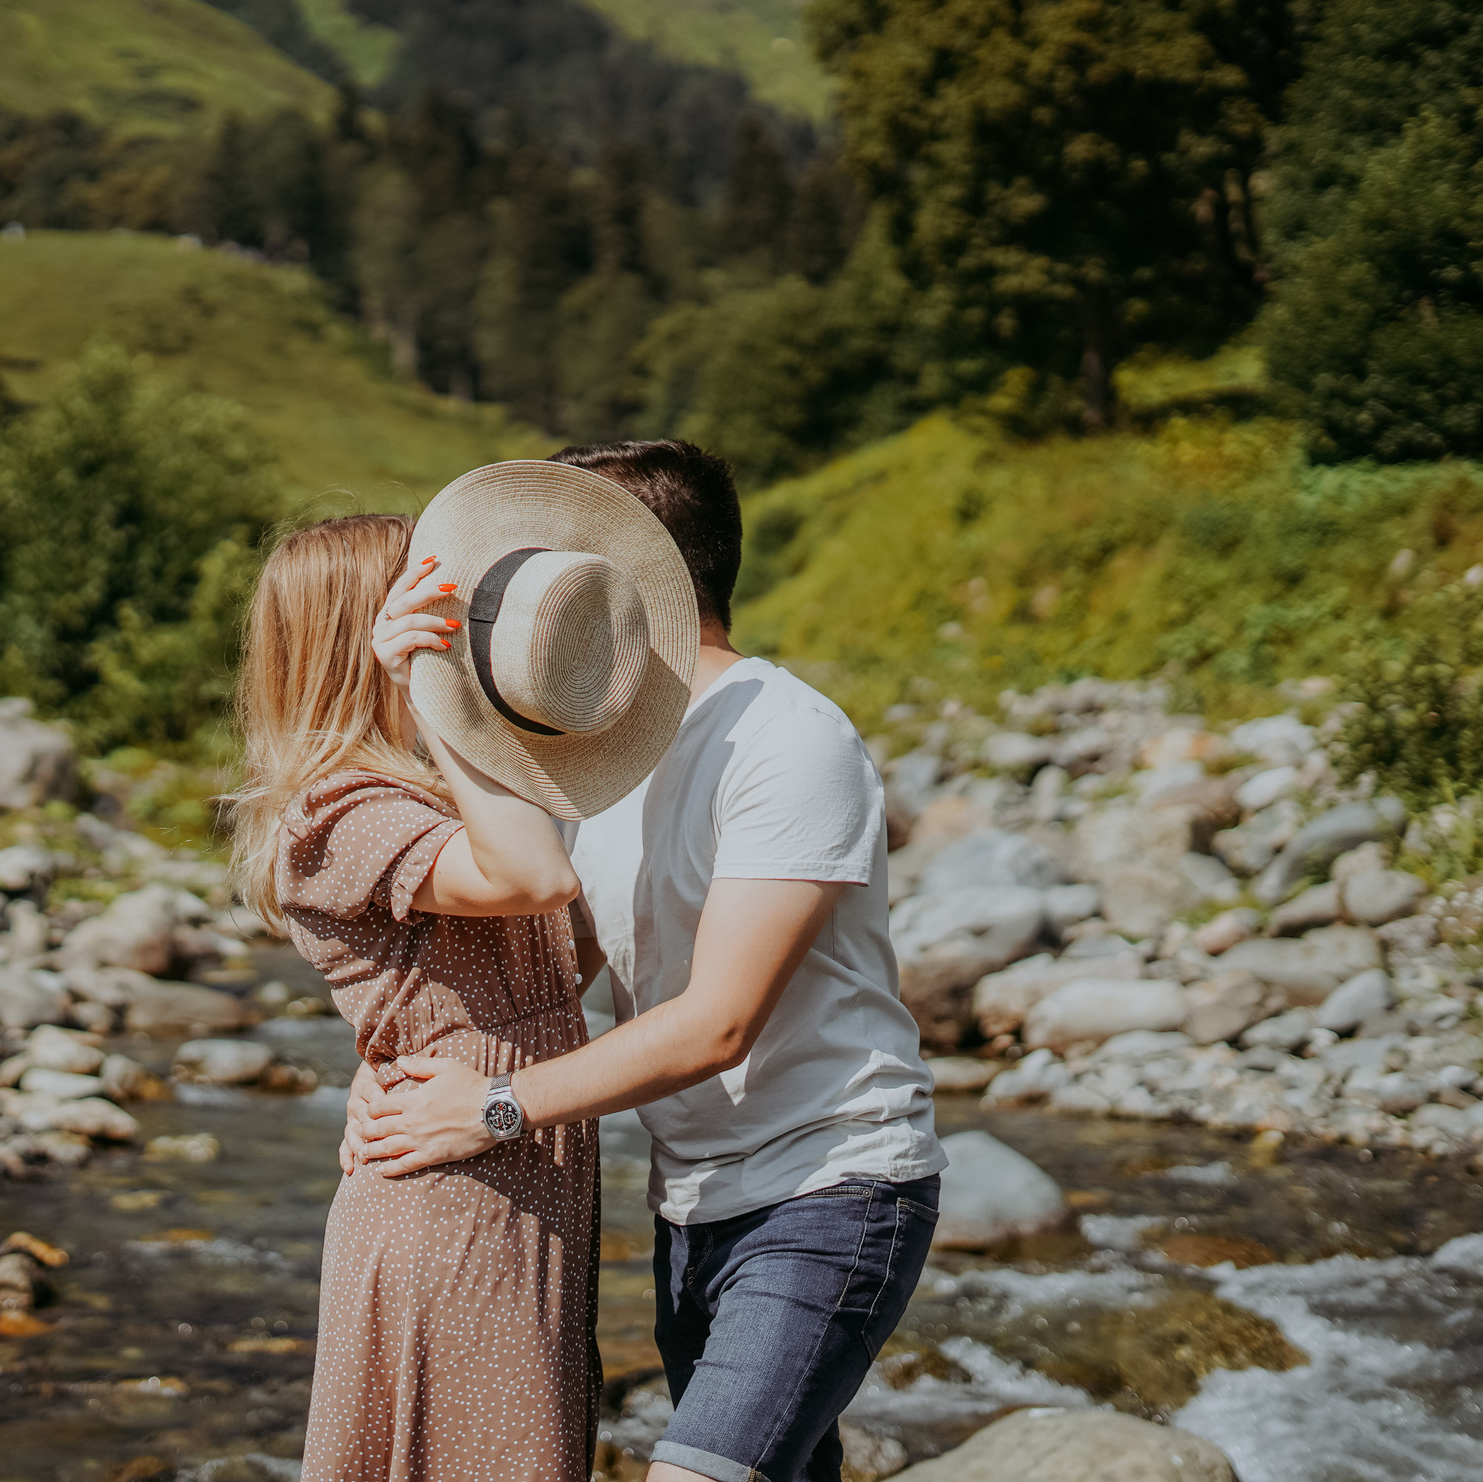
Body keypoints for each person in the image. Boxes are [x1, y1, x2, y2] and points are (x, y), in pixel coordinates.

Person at [351, 439, 945, 1482]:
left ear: (632, 574)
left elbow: (719, 1023)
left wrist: (491, 1106)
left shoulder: (789, 740)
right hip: (689, 1207)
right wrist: (403, 1080)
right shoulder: (601, 759)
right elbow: (552, 977)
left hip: (831, 1187)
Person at [228, 510, 638, 1482]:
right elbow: (536, 880)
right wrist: (440, 693)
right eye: (436, 610)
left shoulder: (421, 796)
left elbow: (560, 959)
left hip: (500, 1164)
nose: (465, 627)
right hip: (453, 1199)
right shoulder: (341, 812)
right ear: (367, 637)